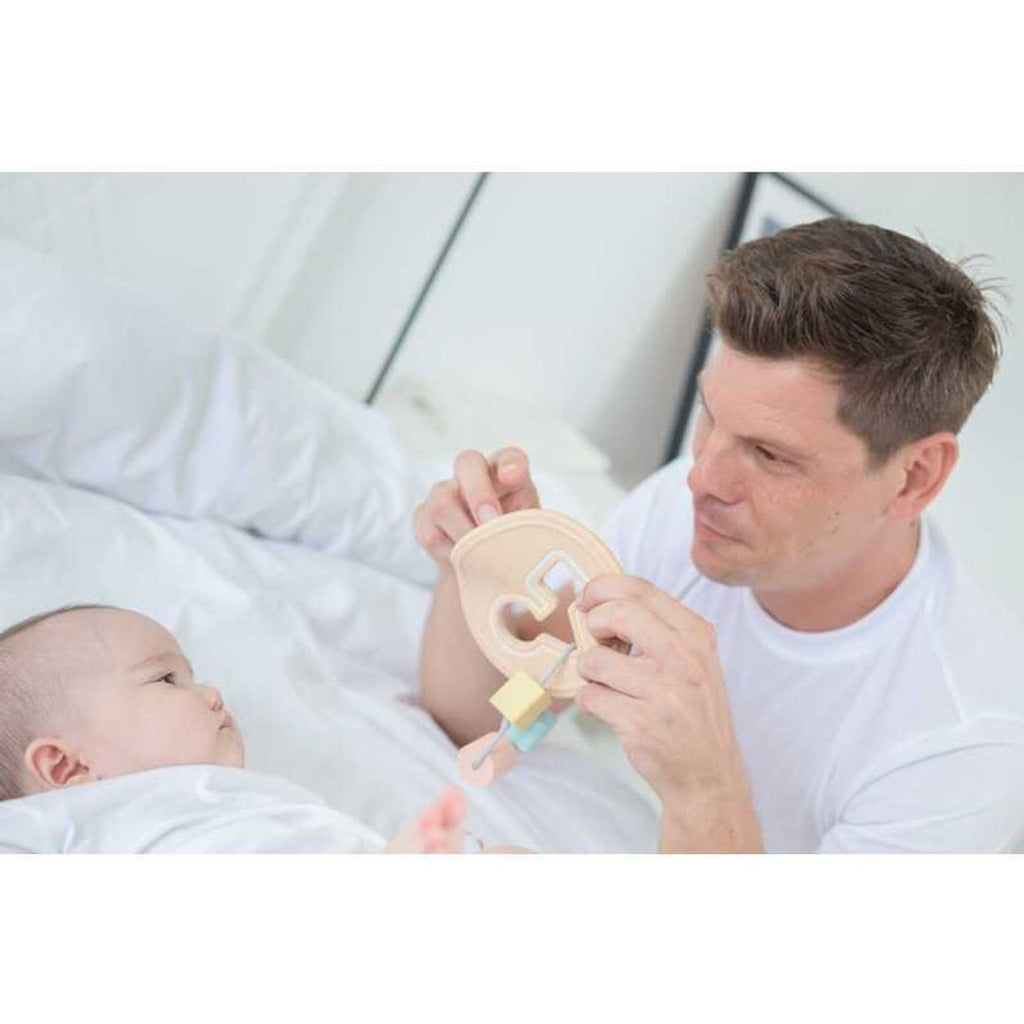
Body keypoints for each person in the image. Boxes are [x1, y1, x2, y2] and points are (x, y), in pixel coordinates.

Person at [413, 217, 1024, 854]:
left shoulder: (964, 744)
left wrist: (705, 787)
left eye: (769, 453)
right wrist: (478, 571)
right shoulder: (687, 510)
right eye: (711, 415)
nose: (702, 477)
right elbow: (479, 722)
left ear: (915, 477)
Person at [0, 603, 495, 854]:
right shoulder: (144, 836)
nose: (212, 693)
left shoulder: (219, 809)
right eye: (166, 678)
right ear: (66, 766)